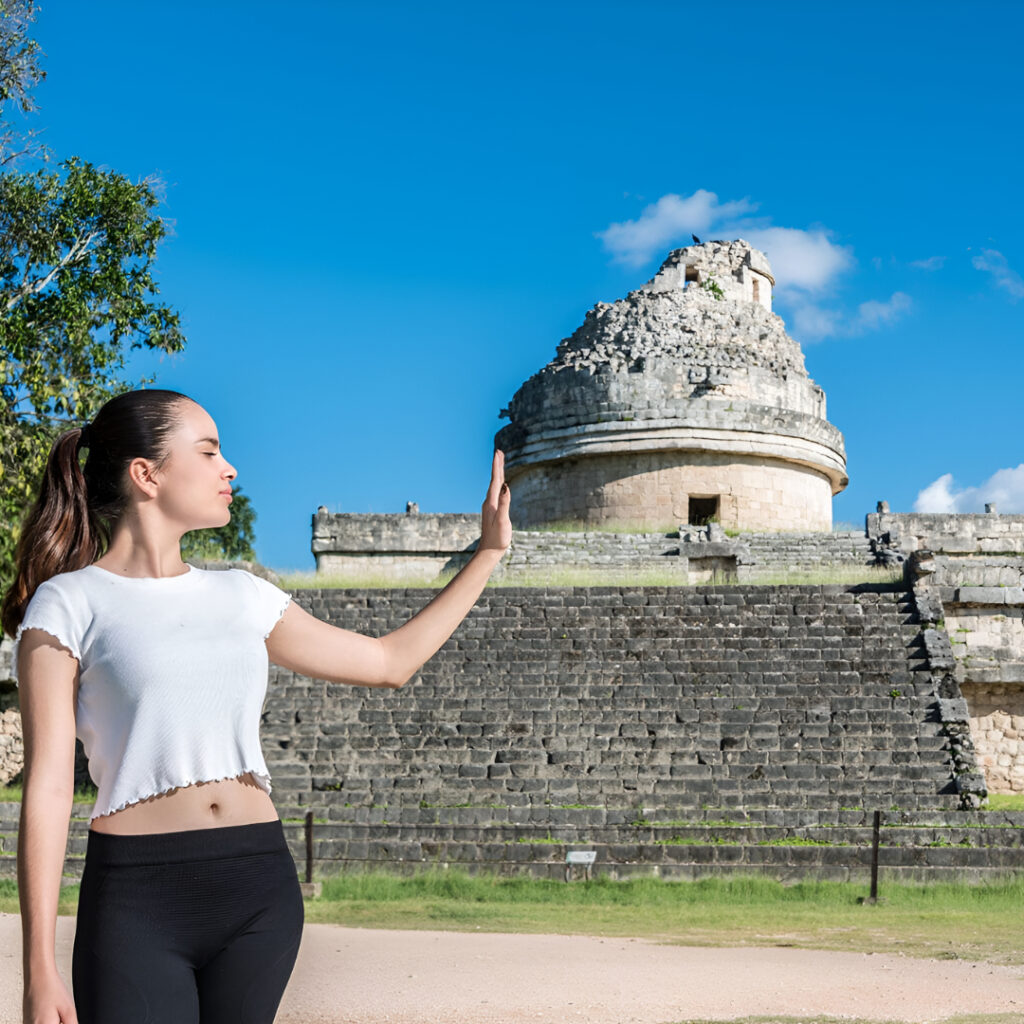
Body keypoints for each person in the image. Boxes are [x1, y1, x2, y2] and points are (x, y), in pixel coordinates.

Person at [2, 387, 512, 1024]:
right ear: (146, 474)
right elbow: (48, 786)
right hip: (138, 896)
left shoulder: (244, 596)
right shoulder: (68, 603)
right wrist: (40, 972)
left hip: (258, 888)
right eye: (209, 450)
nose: (230, 468)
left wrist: (487, 553)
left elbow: (388, 663)